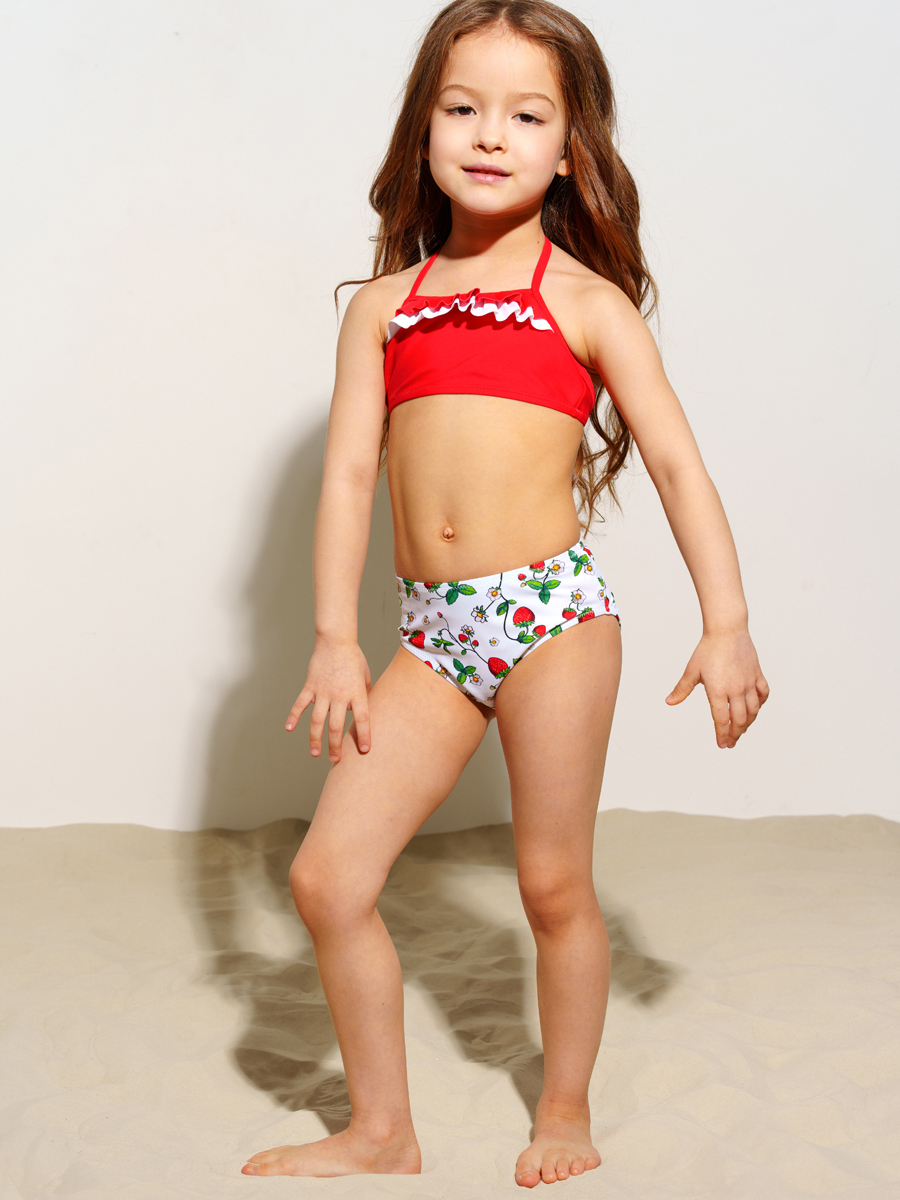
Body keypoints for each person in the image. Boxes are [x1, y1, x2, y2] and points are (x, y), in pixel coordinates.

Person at [241, 0, 769, 1186]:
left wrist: (727, 622)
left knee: (551, 883)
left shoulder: (585, 303)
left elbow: (677, 464)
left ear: (570, 148)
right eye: (463, 107)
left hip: (551, 619)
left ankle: (564, 1109)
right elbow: (347, 476)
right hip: (433, 637)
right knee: (326, 879)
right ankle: (383, 1130)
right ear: (423, 127)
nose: (491, 134)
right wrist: (333, 639)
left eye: (527, 116)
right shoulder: (384, 308)